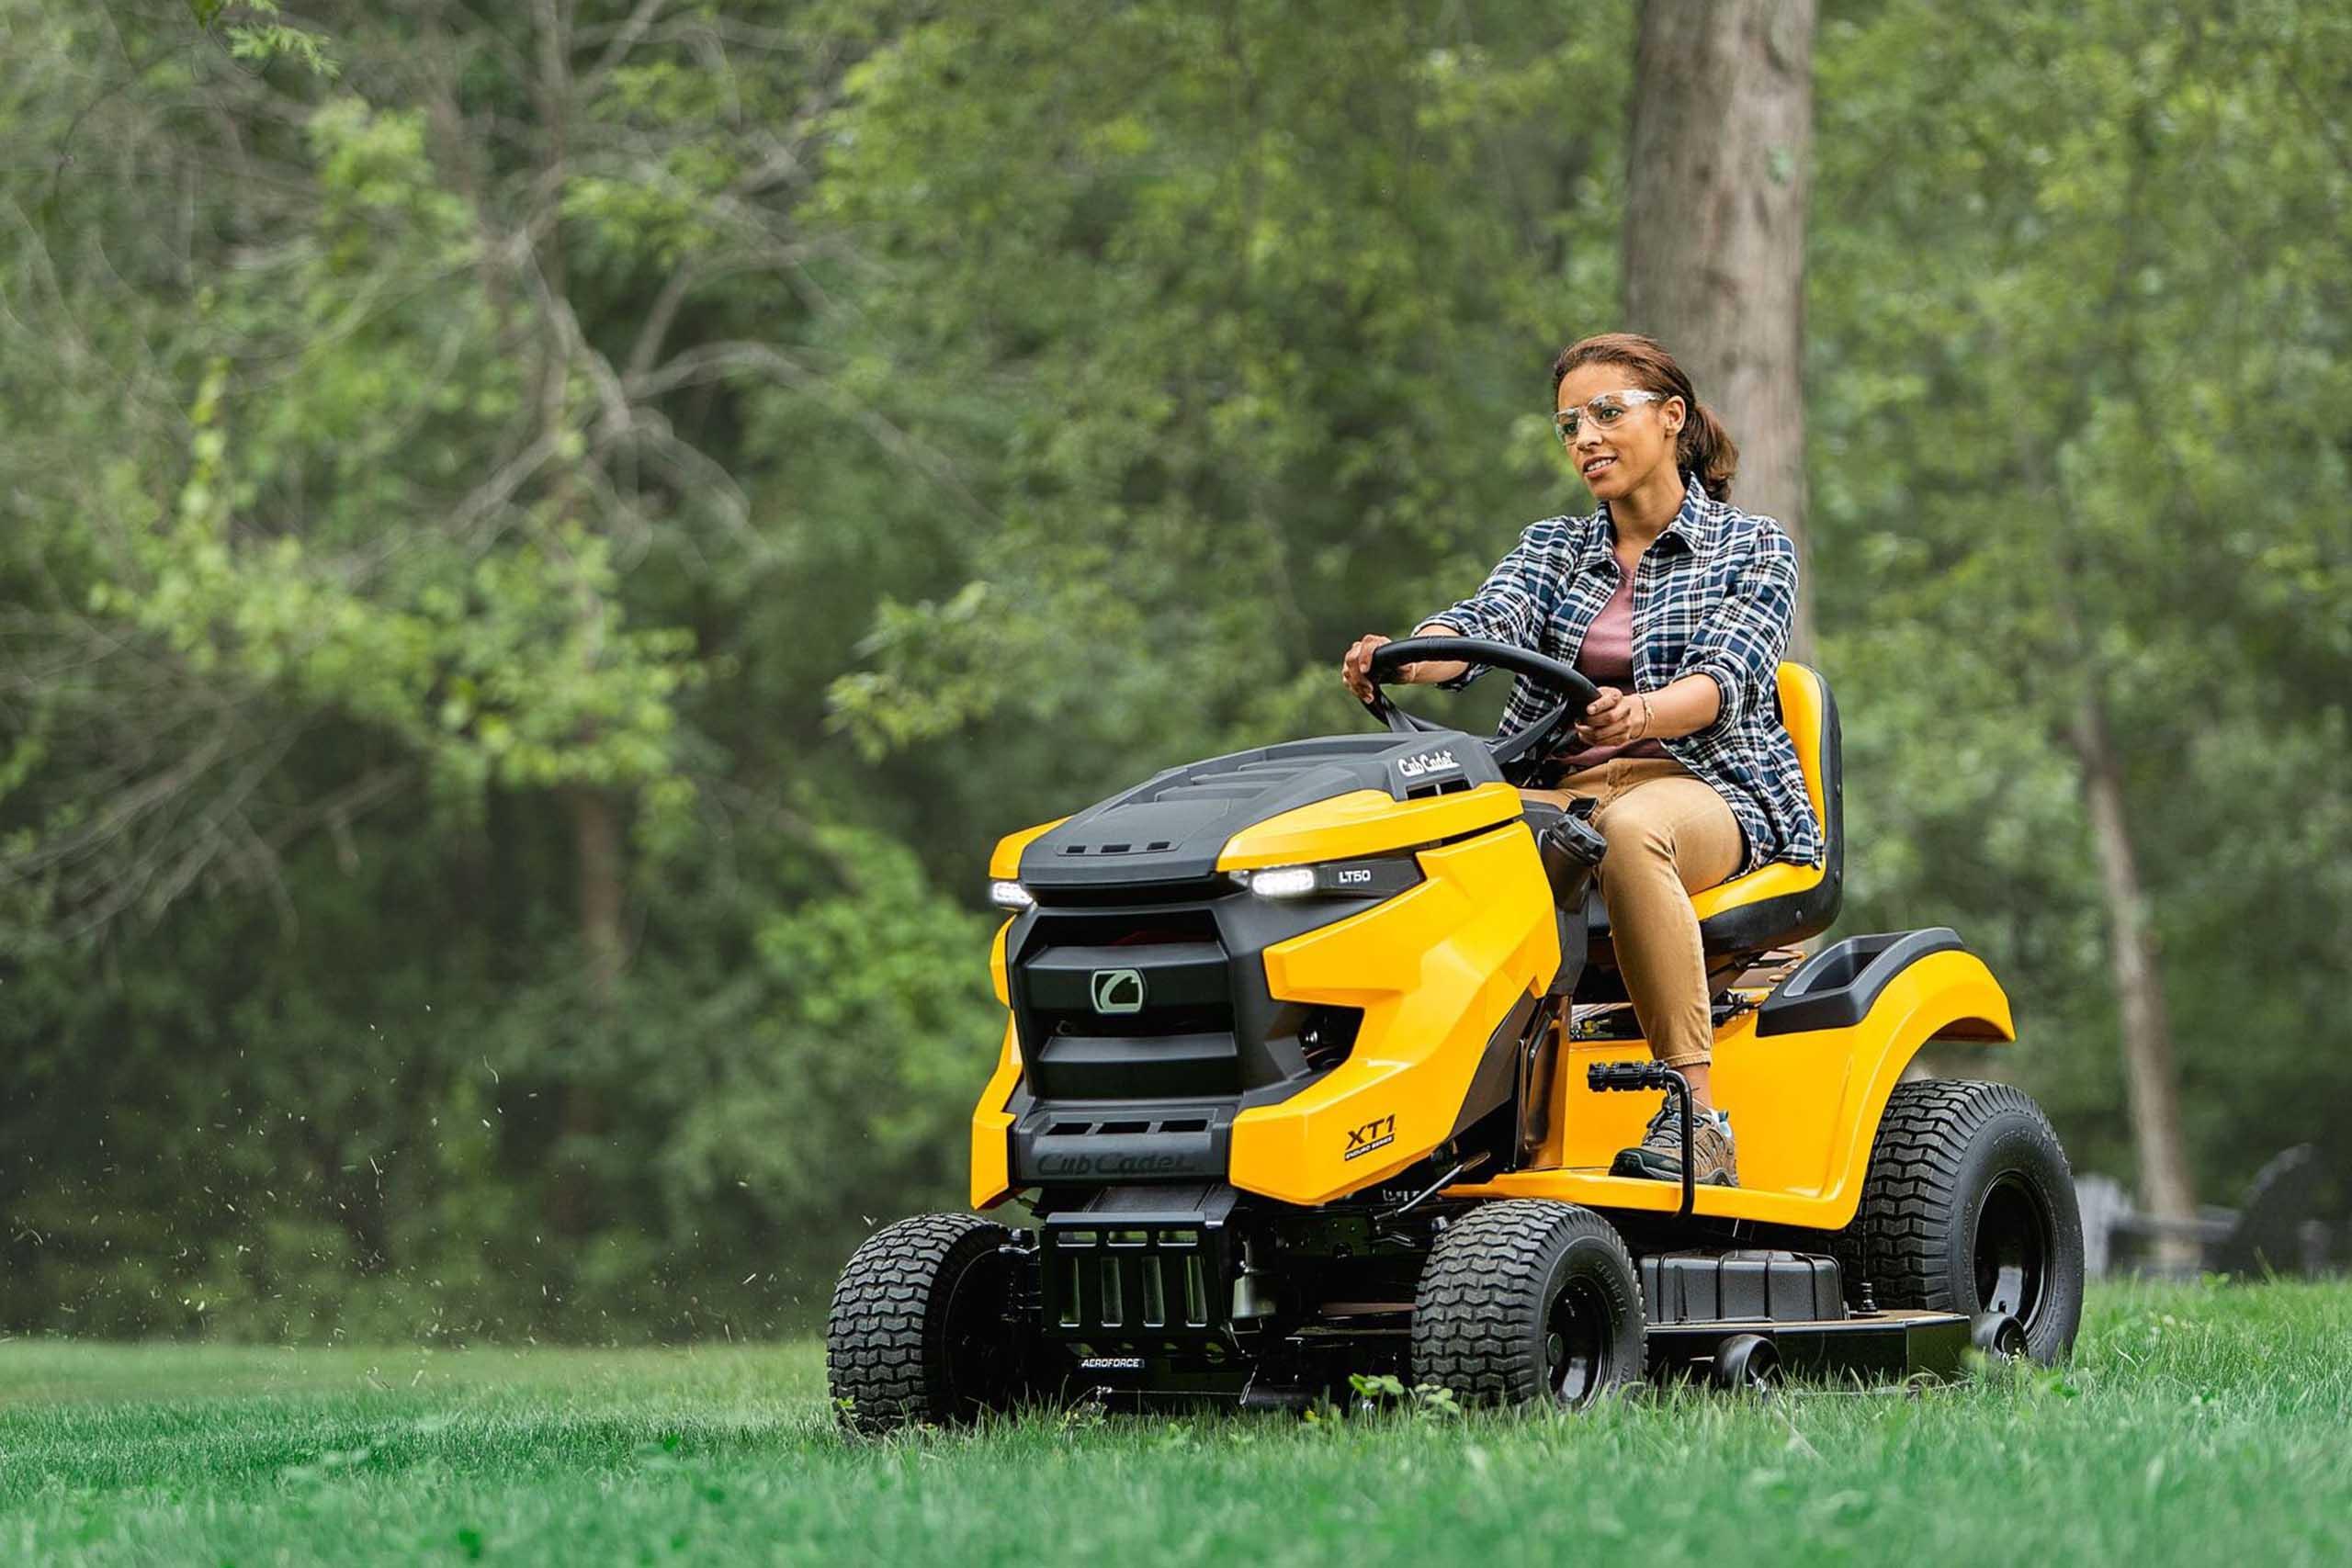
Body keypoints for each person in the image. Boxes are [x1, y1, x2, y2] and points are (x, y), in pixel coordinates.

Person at [1340, 333, 1820, 1189]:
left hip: (1702, 786)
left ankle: (1695, 1119)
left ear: (1671, 418)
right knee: (1415, 846)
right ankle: (1412, 1113)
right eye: (1569, 424)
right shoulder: (1554, 548)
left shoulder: (1752, 546)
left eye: (1607, 412)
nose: (1585, 438)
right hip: (1557, 793)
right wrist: (1409, 655)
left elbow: (1728, 677)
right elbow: (1484, 625)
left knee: (1629, 834)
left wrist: (1642, 710)